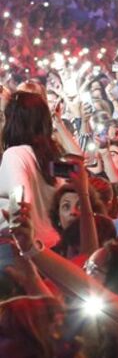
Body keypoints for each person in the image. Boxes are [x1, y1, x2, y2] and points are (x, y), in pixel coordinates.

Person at [0, 90, 63, 247]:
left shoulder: (15, 155)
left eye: (3, 118)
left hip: (26, 253)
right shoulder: (52, 156)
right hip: (53, 249)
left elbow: (20, 204)